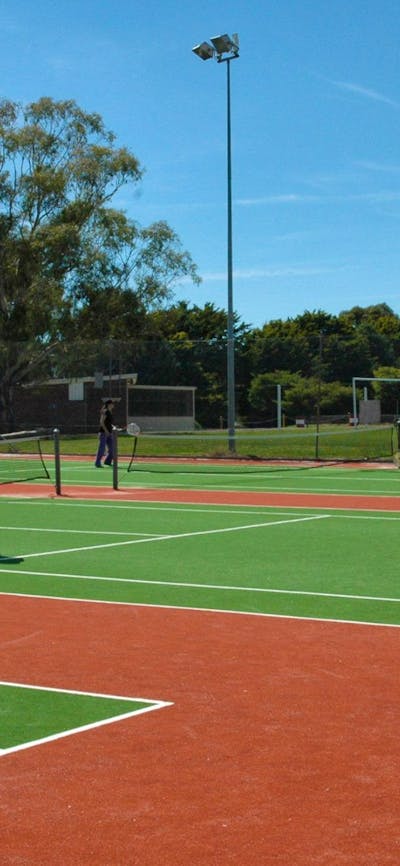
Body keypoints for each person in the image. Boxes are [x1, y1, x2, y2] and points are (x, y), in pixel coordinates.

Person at [94, 399, 115, 467]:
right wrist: (106, 431)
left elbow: (109, 423)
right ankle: (97, 463)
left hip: (110, 433)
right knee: (102, 449)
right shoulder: (105, 411)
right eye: (112, 403)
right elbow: (101, 422)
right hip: (103, 433)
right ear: (109, 404)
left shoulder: (110, 412)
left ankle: (107, 461)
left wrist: (114, 427)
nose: (113, 405)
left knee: (112, 449)